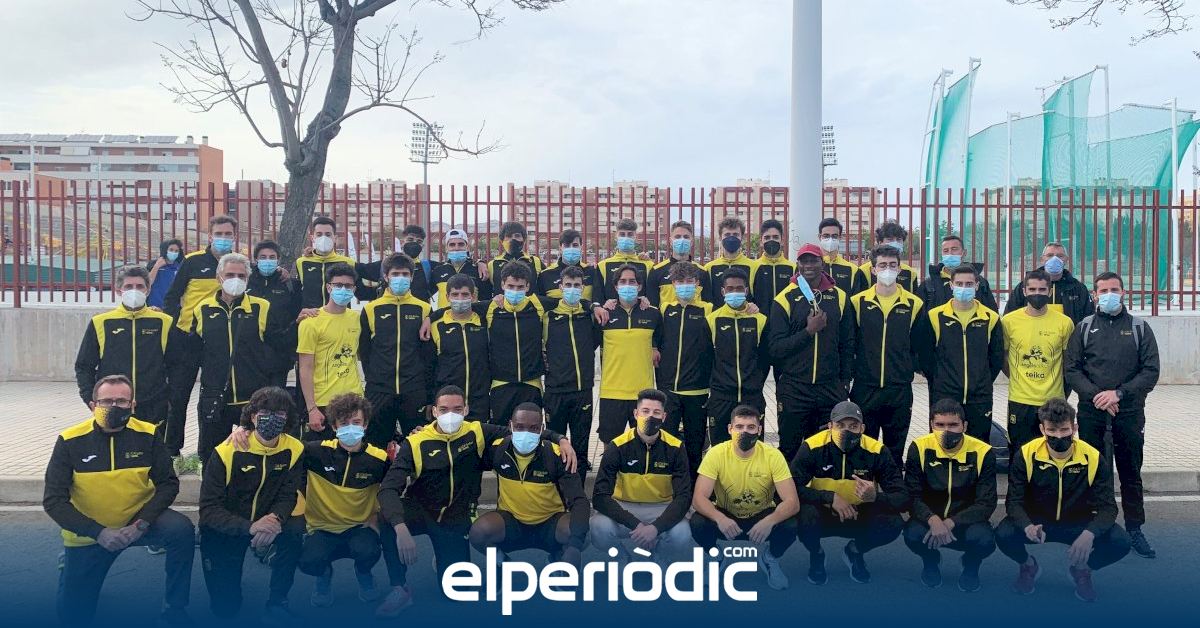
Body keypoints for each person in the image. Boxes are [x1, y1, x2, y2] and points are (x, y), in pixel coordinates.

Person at [377, 386, 575, 614]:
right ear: (434, 412)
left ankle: (444, 555)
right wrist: (400, 528)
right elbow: (387, 489)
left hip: (453, 520)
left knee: (456, 593)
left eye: (457, 409)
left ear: (466, 410)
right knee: (386, 517)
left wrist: (561, 439)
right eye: (444, 409)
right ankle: (400, 588)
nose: (450, 415)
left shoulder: (477, 432)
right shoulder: (415, 442)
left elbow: (523, 428)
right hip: (421, 511)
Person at [44, 375, 194, 627]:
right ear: (93, 405)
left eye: (122, 401)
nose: (114, 406)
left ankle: (174, 609)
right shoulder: (69, 440)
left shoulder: (149, 434)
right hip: (92, 534)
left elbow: (168, 484)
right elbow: (53, 501)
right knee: (73, 617)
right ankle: (68, 565)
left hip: (137, 523)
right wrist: (98, 532)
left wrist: (141, 524)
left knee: (181, 530)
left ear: (133, 405)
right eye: (106, 401)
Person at [995, 398, 1130, 602]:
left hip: (1078, 523)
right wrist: (1027, 526)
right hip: (1038, 523)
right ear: (1042, 429)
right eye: (1052, 430)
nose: (1058, 436)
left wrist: (1090, 534)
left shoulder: (1093, 457)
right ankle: (1028, 565)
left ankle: (1082, 570)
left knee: (1121, 541)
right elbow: (1014, 502)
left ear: (1074, 428)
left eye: (1064, 430)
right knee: (1003, 533)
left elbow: (1108, 508)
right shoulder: (1026, 454)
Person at [1065, 271, 1159, 559]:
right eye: (1103, 290)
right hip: (1092, 412)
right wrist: (1098, 396)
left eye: (1114, 289)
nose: (1109, 295)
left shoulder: (1140, 328)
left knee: (1130, 472)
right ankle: (1094, 528)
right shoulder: (1083, 328)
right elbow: (1072, 370)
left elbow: (1150, 371)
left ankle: (1134, 528)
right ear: (1094, 295)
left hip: (1129, 412)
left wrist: (1118, 394)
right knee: (1093, 472)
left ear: (1124, 292)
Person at [198, 386, 305, 624]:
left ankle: (278, 601)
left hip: (269, 520)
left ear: (288, 418)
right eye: (264, 413)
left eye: (280, 414)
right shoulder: (226, 451)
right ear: (253, 416)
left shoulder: (295, 449)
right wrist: (250, 527)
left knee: (295, 530)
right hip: (228, 527)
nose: (272, 419)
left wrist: (275, 519)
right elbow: (208, 509)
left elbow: (288, 495)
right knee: (225, 609)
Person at [791, 401, 906, 585]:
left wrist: (875, 497)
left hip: (859, 514)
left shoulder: (877, 450)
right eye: (840, 425)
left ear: (862, 428)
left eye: (853, 426)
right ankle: (816, 554)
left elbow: (902, 496)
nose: (846, 431)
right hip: (823, 512)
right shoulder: (811, 447)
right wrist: (829, 497)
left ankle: (855, 551)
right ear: (830, 426)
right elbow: (790, 489)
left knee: (893, 522)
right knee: (800, 515)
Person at [297, 393, 390, 609]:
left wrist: (377, 518)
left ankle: (364, 573)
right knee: (307, 561)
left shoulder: (379, 460)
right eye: (344, 423)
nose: (350, 428)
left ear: (365, 424)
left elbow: (392, 492)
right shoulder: (314, 451)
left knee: (369, 552)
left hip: (359, 527)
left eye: (356, 422)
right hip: (321, 528)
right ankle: (323, 574)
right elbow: (281, 447)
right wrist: (242, 432)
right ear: (334, 426)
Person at [691, 405, 799, 590]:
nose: (745, 432)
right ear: (730, 429)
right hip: (727, 517)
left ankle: (770, 558)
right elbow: (698, 498)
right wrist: (720, 518)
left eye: (751, 427)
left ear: (759, 430)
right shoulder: (716, 453)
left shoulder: (773, 456)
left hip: (761, 517)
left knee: (791, 524)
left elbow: (792, 502)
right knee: (698, 522)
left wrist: (770, 521)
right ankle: (716, 556)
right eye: (739, 427)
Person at [189, 252, 284, 465]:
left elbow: (278, 348)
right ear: (219, 277)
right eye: (230, 274)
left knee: (254, 458)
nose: (236, 279)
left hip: (254, 399)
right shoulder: (202, 309)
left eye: (241, 276)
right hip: (215, 398)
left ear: (248, 279)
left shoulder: (262, 307)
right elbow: (192, 354)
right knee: (212, 458)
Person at [469, 403, 590, 567]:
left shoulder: (558, 456)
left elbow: (580, 501)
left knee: (581, 534)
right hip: (511, 523)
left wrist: (574, 546)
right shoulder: (498, 450)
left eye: (533, 428)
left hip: (550, 524)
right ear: (510, 426)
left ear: (542, 429)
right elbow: (468, 468)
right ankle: (502, 563)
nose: (525, 433)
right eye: (519, 427)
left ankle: (557, 558)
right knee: (478, 533)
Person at [769, 243, 854, 461]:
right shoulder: (784, 298)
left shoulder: (840, 297)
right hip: (795, 387)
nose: (809, 265)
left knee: (826, 450)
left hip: (829, 387)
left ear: (822, 263)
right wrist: (808, 331)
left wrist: (844, 381)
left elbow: (847, 343)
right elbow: (776, 348)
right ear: (797, 264)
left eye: (813, 260)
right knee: (790, 449)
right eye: (804, 261)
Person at [903, 399, 997, 592]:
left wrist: (951, 522)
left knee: (985, 540)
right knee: (912, 534)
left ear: (964, 426)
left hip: (965, 523)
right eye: (940, 425)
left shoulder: (983, 452)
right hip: (931, 522)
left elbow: (986, 503)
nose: (946, 430)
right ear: (931, 425)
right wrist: (932, 519)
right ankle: (931, 561)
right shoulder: (918, 448)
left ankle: (970, 566)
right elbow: (912, 496)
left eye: (953, 425)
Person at [163, 214, 238, 459]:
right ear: (210, 236)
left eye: (228, 234)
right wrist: (177, 326)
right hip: (186, 339)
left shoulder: (237, 264)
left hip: (218, 343)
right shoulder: (192, 261)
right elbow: (172, 297)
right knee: (178, 396)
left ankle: (207, 451)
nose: (223, 238)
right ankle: (172, 450)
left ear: (234, 236)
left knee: (212, 396)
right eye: (219, 234)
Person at [848, 245, 929, 466]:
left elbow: (920, 344)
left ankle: (892, 487)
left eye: (892, 265)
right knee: (864, 449)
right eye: (882, 265)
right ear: (873, 269)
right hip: (865, 387)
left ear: (900, 269)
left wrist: (907, 367)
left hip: (899, 389)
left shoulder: (914, 304)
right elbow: (850, 343)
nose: (887, 270)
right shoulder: (857, 302)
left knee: (895, 450)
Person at [591, 389, 694, 562]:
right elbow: (600, 497)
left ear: (664, 417)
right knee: (598, 528)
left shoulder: (676, 447)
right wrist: (636, 525)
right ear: (636, 414)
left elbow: (683, 497)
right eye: (645, 411)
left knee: (682, 534)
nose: (650, 417)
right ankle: (623, 558)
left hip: (661, 507)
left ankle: (658, 555)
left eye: (656, 412)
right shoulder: (617, 446)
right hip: (625, 506)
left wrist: (655, 528)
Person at [75, 266, 175, 427]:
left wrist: (169, 398)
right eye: (128, 286)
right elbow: (84, 366)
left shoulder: (164, 322)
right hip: (112, 407)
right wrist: (90, 399)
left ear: (148, 290)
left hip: (154, 406)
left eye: (140, 286)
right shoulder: (100, 322)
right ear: (118, 290)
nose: (134, 291)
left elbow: (177, 366)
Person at [921, 264, 1004, 443]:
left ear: (977, 285)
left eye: (969, 284)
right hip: (945, 394)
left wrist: (982, 380)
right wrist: (940, 379)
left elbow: (996, 357)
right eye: (959, 284)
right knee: (942, 443)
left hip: (980, 397)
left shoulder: (990, 317)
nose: (964, 288)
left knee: (979, 445)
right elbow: (925, 355)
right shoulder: (935, 316)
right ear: (951, 285)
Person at [359, 253, 433, 446]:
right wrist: (375, 379)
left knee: (417, 445)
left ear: (412, 276)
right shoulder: (371, 309)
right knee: (376, 445)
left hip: (414, 390)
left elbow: (428, 354)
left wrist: (427, 393)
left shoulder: (424, 309)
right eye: (395, 274)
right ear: (386, 276)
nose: (400, 278)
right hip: (380, 390)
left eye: (405, 274)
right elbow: (365, 351)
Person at [1001, 270, 1075, 449]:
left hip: (1053, 400)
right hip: (1020, 400)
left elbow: (1068, 362)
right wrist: (1018, 377)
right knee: (1019, 452)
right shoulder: (1009, 321)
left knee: (1054, 450)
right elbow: (1003, 357)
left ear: (1050, 292)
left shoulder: (1065, 323)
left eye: (1042, 290)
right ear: (1024, 291)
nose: (1037, 294)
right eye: (1032, 289)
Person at [543, 264, 603, 474]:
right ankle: (556, 488)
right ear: (560, 287)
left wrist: (592, 305)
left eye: (577, 285)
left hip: (582, 390)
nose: (572, 289)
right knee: (555, 447)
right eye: (568, 285)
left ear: (583, 288)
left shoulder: (589, 314)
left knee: (581, 446)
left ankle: (579, 490)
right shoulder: (548, 315)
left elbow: (595, 341)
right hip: (555, 391)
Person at [655, 260, 714, 474]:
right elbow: (655, 336)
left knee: (695, 444)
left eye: (690, 280)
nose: (685, 285)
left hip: (697, 390)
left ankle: (694, 484)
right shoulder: (665, 309)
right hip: (669, 390)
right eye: (680, 281)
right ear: (673, 284)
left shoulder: (708, 309)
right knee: (667, 442)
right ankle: (670, 482)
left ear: (697, 283)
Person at [298, 263, 365, 441]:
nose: (343, 289)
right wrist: (311, 408)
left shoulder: (358, 319)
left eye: (348, 286)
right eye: (338, 285)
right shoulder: (310, 322)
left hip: (353, 399)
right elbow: (305, 367)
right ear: (329, 287)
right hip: (323, 402)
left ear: (354, 289)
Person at [598, 264, 663, 443]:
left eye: (632, 281)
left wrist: (654, 348)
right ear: (616, 286)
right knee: (610, 445)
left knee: (645, 442)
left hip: (643, 394)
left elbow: (659, 340)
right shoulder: (605, 314)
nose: (628, 285)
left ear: (639, 286)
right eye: (623, 281)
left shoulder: (653, 314)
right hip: (611, 392)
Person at [706, 268, 769, 444]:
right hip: (721, 398)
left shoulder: (760, 320)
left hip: (752, 397)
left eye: (739, 288)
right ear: (723, 291)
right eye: (730, 288)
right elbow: (706, 359)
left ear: (746, 291)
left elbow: (765, 359)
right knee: (719, 448)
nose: (735, 292)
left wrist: (755, 383)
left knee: (753, 447)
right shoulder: (712, 320)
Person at [485, 260, 551, 424]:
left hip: (531, 384)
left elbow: (569, 304)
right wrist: (431, 318)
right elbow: (456, 308)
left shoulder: (538, 304)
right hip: (500, 383)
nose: (515, 291)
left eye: (520, 287)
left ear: (528, 286)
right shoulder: (491, 307)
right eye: (511, 286)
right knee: (500, 434)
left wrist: (594, 306)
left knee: (531, 432)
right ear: (502, 285)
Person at [429, 274, 491, 422]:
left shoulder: (485, 321)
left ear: (473, 296)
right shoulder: (435, 325)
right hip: (448, 403)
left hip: (479, 400)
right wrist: (430, 400)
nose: (460, 299)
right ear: (447, 296)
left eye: (465, 294)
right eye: (455, 295)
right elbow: (428, 366)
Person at [246, 240, 300, 388]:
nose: (267, 261)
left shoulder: (289, 284)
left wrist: (289, 348)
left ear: (278, 260)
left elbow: (295, 315)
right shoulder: (246, 282)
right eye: (263, 257)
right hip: (250, 355)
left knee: (276, 397)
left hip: (279, 355)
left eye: (272, 257)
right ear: (256, 259)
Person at [1004, 242, 1094, 324]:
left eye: (1060, 256)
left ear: (1066, 260)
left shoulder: (1077, 288)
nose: (1055, 259)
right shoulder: (1025, 286)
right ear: (1042, 259)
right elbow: (1010, 316)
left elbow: (1089, 319)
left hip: (1068, 335)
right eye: (1050, 255)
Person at [917, 234, 999, 312]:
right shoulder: (928, 284)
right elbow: (920, 316)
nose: (950, 254)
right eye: (945, 251)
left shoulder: (981, 283)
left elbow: (992, 313)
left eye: (954, 249)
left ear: (964, 253)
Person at [295, 216, 357, 310]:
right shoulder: (301, 262)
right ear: (312, 238)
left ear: (335, 238)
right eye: (319, 234)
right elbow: (298, 291)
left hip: (339, 316)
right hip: (311, 316)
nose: (323, 238)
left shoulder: (348, 262)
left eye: (328, 234)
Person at [646, 219, 710, 306]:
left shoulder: (702, 272)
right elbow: (652, 307)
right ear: (670, 241)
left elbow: (708, 304)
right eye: (678, 237)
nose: (682, 240)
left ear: (692, 241)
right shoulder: (656, 271)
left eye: (686, 237)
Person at [430, 228, 492, 307]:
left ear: (467, 247)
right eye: (452, 245)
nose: (456, 248)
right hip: (443, 315)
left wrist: (480, 262)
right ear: (446, 248)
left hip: (470, 314)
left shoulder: (478, 270)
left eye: (461, 244)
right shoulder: (438, 270)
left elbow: (487, 300)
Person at [597, 217, 655, 301]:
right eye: (622, 234)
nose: (626, 238)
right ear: (616, 237)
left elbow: (652, 296)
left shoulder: (648, 265)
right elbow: (598, 297)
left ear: (636, 237)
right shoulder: (602, 265)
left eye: (630, 234)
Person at [537, 228, 602, 300]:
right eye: (567, 245)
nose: (571, 248)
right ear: (560, 248)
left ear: (581, 247)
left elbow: (599, 299)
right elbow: (540, 303)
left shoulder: (592, 271)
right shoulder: (545, 275)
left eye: (575, 245)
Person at [703, 216, 756, 304]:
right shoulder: (709, 268)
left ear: (742, 238)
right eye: (727, 235)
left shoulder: (754, 266)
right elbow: (707, 298)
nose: (731, 238)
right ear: (720, 238)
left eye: (735, 235)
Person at [859, 220, 918, 293]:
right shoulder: (863, 271)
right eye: (890, 239)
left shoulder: (910, 273)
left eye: (899, 239)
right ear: (880, 243)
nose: (895, 243)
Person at [487, 221, 544, 297]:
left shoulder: (535, 261)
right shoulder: (493, 264)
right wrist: (479, 262)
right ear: (501, 241)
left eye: (517, 236)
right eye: (508, 236)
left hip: (530, 305)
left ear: (524, 240)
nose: (513, 239)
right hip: (502, 305)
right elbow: (485, 294)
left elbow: (544, 288)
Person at [751, 218, 797, 312]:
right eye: (767, 238)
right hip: (760, 319)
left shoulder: (793, 268)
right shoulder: (753, 267)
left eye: (775, 237)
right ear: (761, 242)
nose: (771, 240)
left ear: (782, 240)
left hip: (785, 319)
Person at [817, 217, 867, 296]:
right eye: (826, 236)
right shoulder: (809, 267)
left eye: (834, 236)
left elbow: (857, 299)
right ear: (819, 237)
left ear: (840, 238)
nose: (830, 239)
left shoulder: (853, 270)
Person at [393, 224, 434, 302]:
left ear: (422, 246)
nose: (414, 244)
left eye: (419, 241)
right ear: (402, 242)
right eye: (410, 239)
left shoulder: (429, 267)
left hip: (421, 309)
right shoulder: (388, 265)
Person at [147, 238, 183, 309]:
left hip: (172, 308)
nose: (174, 253)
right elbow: (148, 283)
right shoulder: (152, 264)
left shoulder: (180, 267)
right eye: (171, 250)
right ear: (165, 250)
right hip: (154, 307)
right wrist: (156, 266)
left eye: (176, 251)